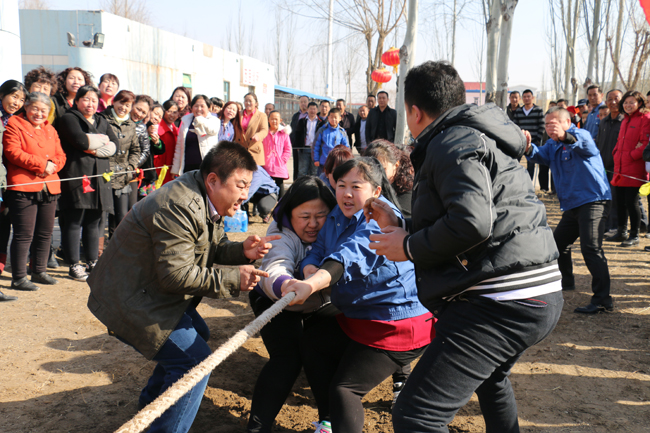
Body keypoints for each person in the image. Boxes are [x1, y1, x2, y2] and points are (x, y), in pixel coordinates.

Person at [364, 61, 563, 432]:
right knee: (491, 380)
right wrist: (402, 225)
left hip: (503, 299)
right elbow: (472, 218)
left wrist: (407, 246)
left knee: (416, 415)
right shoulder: (477, 135)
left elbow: (473, 223)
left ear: (413, 111)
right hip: (536, 288)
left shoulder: (451, 141)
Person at [87, 142, 278, 433]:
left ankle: (152, 410)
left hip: (147, 291)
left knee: (198, 335)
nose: (245, 195)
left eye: (248, 186)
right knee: (194, 362)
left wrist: (242, 252)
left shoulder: (203, 194)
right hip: (129, 297)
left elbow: (209, 246)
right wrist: (233, 280)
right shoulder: (179, 204)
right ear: (213, 180)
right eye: (241, 185)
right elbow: (175, 276)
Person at [283, 157, 434, 433]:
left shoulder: (380, 218)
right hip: (362, 314)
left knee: (345, 389)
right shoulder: (338, 214)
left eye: (356, 186)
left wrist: (312, 284)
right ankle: (329, 422)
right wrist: (308, 269)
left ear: (377, 191)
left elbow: (349, 255)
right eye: (341, 185)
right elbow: (320, 249)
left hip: (396, 322)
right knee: (314, 343)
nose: (347, 193)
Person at [247, 175, 338, 433]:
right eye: (305, 216)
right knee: (287, 358)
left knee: (322, 351)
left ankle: (328, 421)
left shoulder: (337, 228)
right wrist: (286, 285)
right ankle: (257, 428)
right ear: (290, 213)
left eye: (320, 215)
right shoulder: (279, 233)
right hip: (278, 300)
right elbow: (275, 267)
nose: (313, 224)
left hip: (323, 300)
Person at [526, 106, 612, 313]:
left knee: (591, 248)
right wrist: (527, 147)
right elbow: (540, 156)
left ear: (567, 122)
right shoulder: (551, 144)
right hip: (572, 204)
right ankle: (566, 281)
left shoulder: (581, 134)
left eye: (553, 123)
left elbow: (582, 144)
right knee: (558, 244)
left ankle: (603, 300)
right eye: (546, 124)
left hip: (593, 200)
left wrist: (564, 136)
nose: (549, 128)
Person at [3, 91, 66, 291]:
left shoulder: (51, 130)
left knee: (45, 232)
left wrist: (52, 166)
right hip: (23, 186)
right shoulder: (14, 123)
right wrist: (42, 164)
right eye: (35, 109)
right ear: (27, 108)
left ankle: (39, 270)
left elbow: (61, 155)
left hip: (50, 185)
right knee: (24, 233)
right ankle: (19, 277)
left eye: (43, 110)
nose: (39, 113)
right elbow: (13, 152)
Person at [56, 85, 117, 281]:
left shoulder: (101, 119)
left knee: (94, 221)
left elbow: (115, 145)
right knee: (74, 221)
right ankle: (74, 264)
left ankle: (93, 262)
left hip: (100, 178)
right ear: (78, 100)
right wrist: (100, 142)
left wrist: (94, 146)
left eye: (93, 100)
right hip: (78, 176)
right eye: (85, 99)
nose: (89, 104)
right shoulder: (69, 118)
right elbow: (80, 141)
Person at [609, 90, 650, 247]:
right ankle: (621, 231)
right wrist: (616, 152)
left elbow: (645, 145)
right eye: (625, 102)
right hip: (620, 166)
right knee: (619, 201)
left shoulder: (645, 118)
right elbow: (622, 141)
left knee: (631, 202)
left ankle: (634, 234)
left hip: (634, 167)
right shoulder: (625, 119)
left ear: (639, 103)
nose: (628, 105)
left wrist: (630, 156)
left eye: (631, 102)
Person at [0, 79, 27, 281]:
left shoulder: (12, 121)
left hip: (5, 185)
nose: (17, 102)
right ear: (2, 95)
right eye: (14, 96)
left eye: (21, 99)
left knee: (3, 233)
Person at [171, 94, 221, 176]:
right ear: (191, 108)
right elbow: (179, 147)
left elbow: (213, 130)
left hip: (206, 167)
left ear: (208, 108)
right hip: (187, 166)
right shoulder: (186, 121)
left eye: (202, 106)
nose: (199, 109)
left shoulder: (214, 121)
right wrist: (175, 169)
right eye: (196, 106)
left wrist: (200, 120)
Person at [597, 89, 624, 234]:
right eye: (610, 99)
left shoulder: (625, 121)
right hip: (603, 166)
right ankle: (606, 226)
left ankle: (615, 227)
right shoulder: (603, 122)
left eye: (616, 98)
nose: (613, 102)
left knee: (616, 199)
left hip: (618, 168)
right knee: (604, 198)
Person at [364, 140, 414, 217]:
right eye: (371, 169)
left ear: (396, 165)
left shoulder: (408, 191)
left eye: (383, 169)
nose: (377, 174)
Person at [513, 89, 548, 190]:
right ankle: (516, 184)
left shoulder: (538, 110)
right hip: (520, 142)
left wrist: (537, 139)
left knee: (531, 165)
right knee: (515, 162)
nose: (526, 98)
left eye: (528, 96)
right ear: (522, 98)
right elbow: (515, 126)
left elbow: (541, 126)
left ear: (532, 98)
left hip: (533, 143)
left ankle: (528, 186)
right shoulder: (519, 111)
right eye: (524, 97)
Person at [262, 111, 292, 199]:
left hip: (279, 164)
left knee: (280, 185)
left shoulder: (284, 134)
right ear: (268, 120)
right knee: (266, 185)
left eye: (276, 119)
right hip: (266, 164)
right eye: (272, 119)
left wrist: (283, 160)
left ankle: (280, 205)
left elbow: (288, 149)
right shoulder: (264, 133)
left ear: (280, 120)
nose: (274, 121)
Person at [234, 92, 269, 166]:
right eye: (246, 101)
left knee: (253, 176)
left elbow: (264, 130)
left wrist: (258, 136)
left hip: (254, 150)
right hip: (240, 149)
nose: (248, 103)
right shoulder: (238, 114)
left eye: (250, 101)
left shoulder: (262, 116)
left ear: (256, 103)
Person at [153, 100, 179, 185]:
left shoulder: (175, 129)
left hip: (170, 169)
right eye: (169, 111)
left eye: (175, 112)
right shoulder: (157, 127)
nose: (172, 115)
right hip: (158, 168)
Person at [295, 101, 321, 178]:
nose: (312, 111)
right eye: (310, 109)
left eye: (314, 109)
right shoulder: (302, 121)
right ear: (307, 110)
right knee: (302, 171)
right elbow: (297, 134)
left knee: (314, 172)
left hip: (316, 150)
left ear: (317, 110)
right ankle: (302, 188)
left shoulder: (321, 123)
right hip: (304, 149)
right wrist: (298, 146)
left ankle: (313, 188)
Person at [289, 95, 310, 180]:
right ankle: (295, 185)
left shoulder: (310, 115)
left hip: (306, 146)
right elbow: (292, 129)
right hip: (296, 145)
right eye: (301, 102)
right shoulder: (296, 116)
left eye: (305, 102)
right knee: (296, 167)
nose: (303, 104)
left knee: (306, 169)